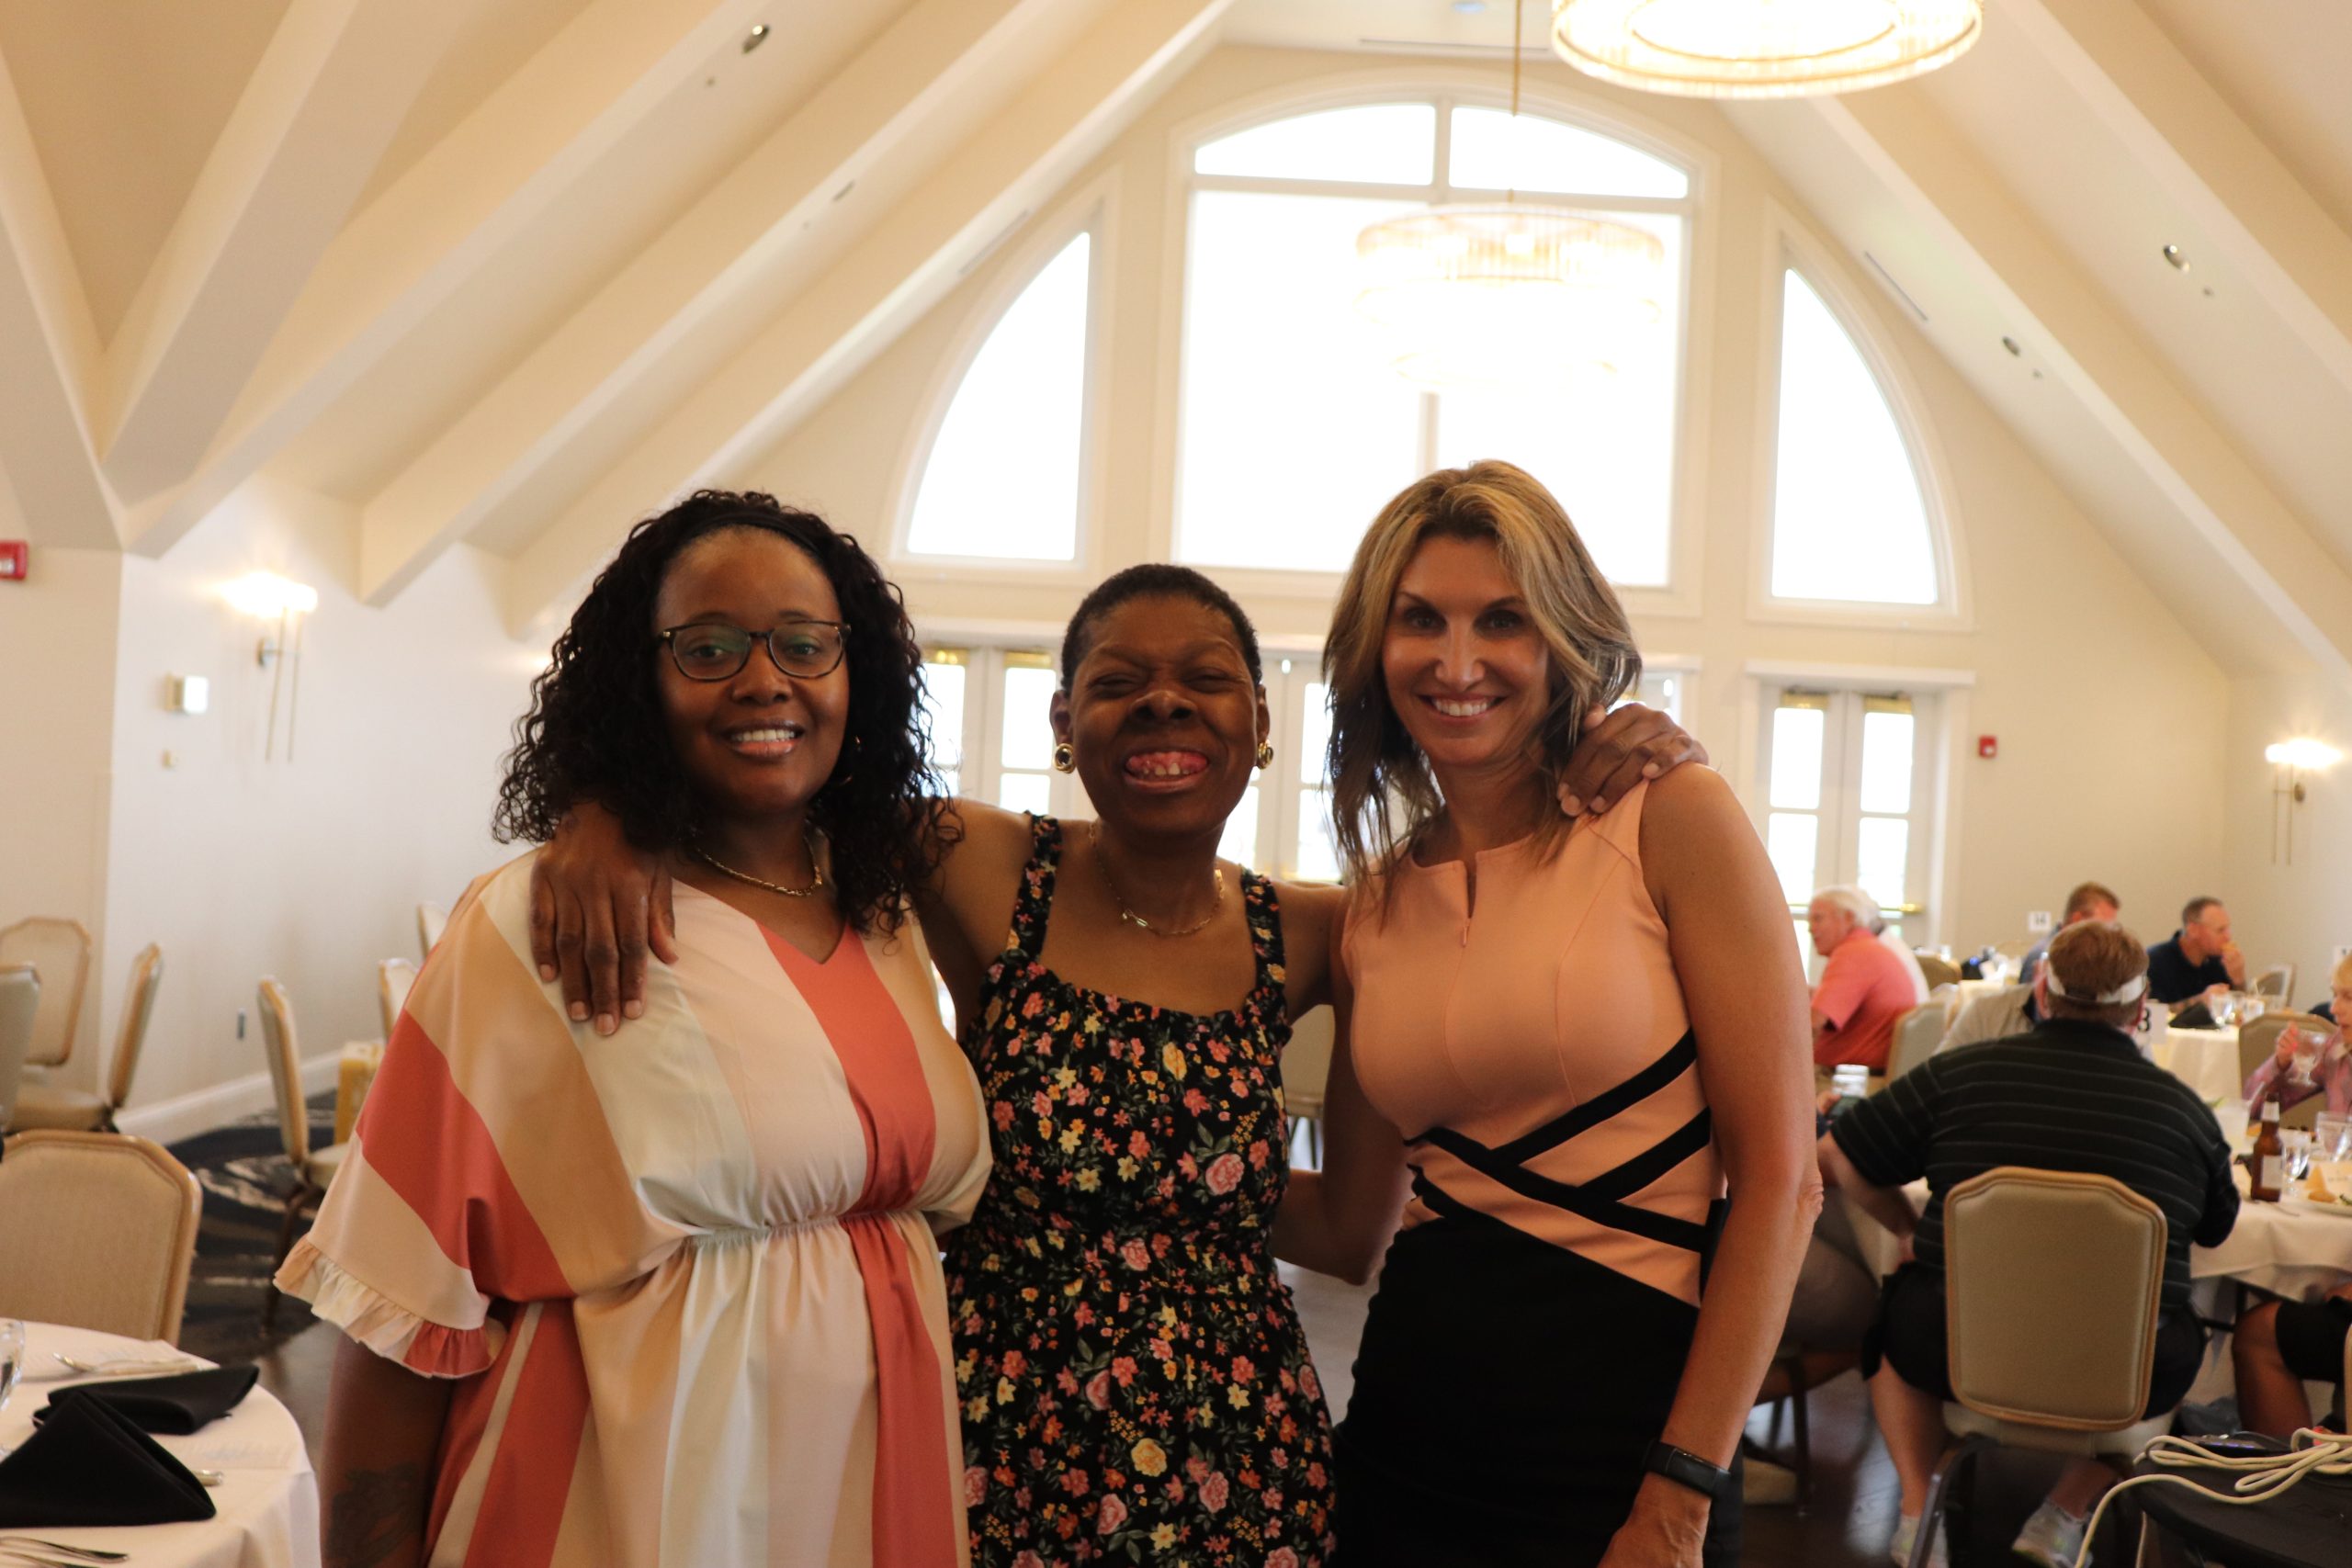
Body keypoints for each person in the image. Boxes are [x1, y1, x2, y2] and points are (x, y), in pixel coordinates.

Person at [530, 556, 1709, 1565]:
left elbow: (1350, 1232)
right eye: (1117, 684)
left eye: (1204, 681)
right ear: (1061, 725)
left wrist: (1617, 740)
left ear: (1258, 721)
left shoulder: (1320, 934)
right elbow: (763, 760)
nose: (1162, 707)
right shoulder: (976, 865)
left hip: (1240, 1451)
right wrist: (602, 807)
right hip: (995, 1427)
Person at [287, 492, 994, 1567]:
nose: (764, 679)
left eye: (804, 643)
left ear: (859, 673)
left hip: (863, 1494)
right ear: (642, 684)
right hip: (619, 1507)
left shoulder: (884, 907)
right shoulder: (541, 923)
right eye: (707, 648)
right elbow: (396, 1305)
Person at [1284, 461, 1818, 1567]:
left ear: (1563, 640)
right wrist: (1120, 1168)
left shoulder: (1667, 818)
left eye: (1504, 622)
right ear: (1373, 653)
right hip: (1404, 1420)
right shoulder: (1373, 905)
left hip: (1621, 1437)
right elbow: (1347, 1229)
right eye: (1419, 620)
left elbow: (1782, 1181)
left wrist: (1680, 1494)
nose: (1458, 661)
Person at [1821, 921, 2239, 1568]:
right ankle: (2065, 1511)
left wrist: (1906, 1227)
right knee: (2186, 1325)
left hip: (1955, 1342)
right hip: (2124, 1363)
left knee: (1896, 1311)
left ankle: (1913, 1511)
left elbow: (1838, 1152)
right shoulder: (2182, 1112)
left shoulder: (1961, 1076)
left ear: (2042, 991)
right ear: (2141, 1005)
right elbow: (2216, 1230)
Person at [1808, 886, 1919, 1073]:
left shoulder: (1852, 953)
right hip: (1870, 1072)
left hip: (1849, 1079)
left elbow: (1814, 1023)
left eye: (1818, 918)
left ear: (1849, 918)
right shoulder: (1869, 948)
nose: (1811, 929)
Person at [2242, 950, 2352, 1119]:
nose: (2334, 1009)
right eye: (2335, 995)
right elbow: (2253, 1108)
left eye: (2349, 997)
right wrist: (2281, 1064)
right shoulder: (2335, 1051)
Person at [2146, 896, 2246, 1009]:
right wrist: (2199, 1001)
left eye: (2228, 929)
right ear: (2193, 930)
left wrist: (2239, 980)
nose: (2228, 936)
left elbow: (2238, 1011)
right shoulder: (2155, 961)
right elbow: (2153, 1015)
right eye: (2220, 930)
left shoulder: (2219, 961)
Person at [2018, 880, 2120, 987]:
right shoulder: (2046, 957)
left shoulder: (2084, 955)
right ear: (2078, 920)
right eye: (2102, 927)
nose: (2109, 936)